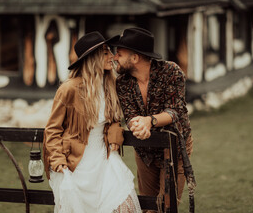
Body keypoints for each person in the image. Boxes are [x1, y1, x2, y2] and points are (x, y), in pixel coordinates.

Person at [43, 31, 142, 213]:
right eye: (106, 53)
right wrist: (58, 161)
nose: (112, 57)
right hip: (74, 165)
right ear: (93, 58)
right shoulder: (69, 89)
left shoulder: (110, 84)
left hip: (104, 160)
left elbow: (112, 118)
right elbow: (52, 129)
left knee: (124, 205)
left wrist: (114, 131)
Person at [111, 27, 193, 211]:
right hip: (144, 152)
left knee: (166, 206)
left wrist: (150, 121)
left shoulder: (171, 71)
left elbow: (175, 111)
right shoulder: (122, 82)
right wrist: (137, 125)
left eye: (119, 53)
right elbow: (130, 115)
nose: (115, 57)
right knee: (148, 207)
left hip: (175, 149)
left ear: (134, 58)